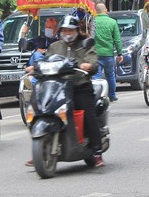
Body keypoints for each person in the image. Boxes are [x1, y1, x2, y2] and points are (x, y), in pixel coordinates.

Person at [42, 15, 105, 167]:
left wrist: (88, 66)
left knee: (88, 116)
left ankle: (96, 151)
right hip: (58, 87)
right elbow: (46, 60)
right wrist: (35, 67)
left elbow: (93, 61)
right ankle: (42, 147)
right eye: (64, 30)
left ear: (77, 31)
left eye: (71, 30)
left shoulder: (85, 44)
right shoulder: (54, 46)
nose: (67, 33)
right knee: (42, 111)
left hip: (80, 86)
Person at [93, 3, 123, 102]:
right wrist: (120, 53)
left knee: (96, 76)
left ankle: (96, 95)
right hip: (108, 54)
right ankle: (112, 95)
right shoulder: (112, 22)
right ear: (106, 10)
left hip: (95, 54)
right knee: (110, 75)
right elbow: (117, 39)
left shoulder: (92, 21)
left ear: (96, 11)